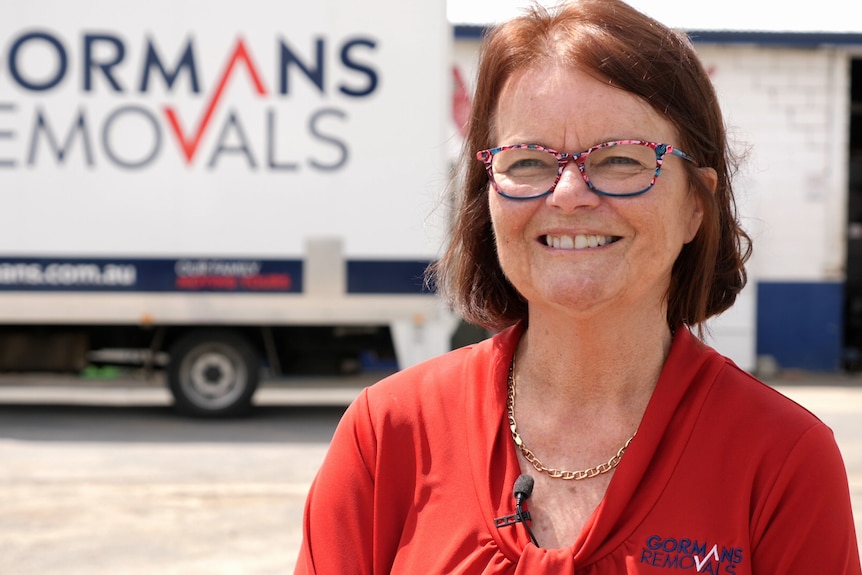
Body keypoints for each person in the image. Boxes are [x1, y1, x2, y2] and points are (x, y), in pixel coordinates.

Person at [294, 0, 862, 572]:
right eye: (528, 162)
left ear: (697, 204)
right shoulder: (389, 433)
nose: (568, 194)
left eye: (620, 159)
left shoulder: (782, 459)